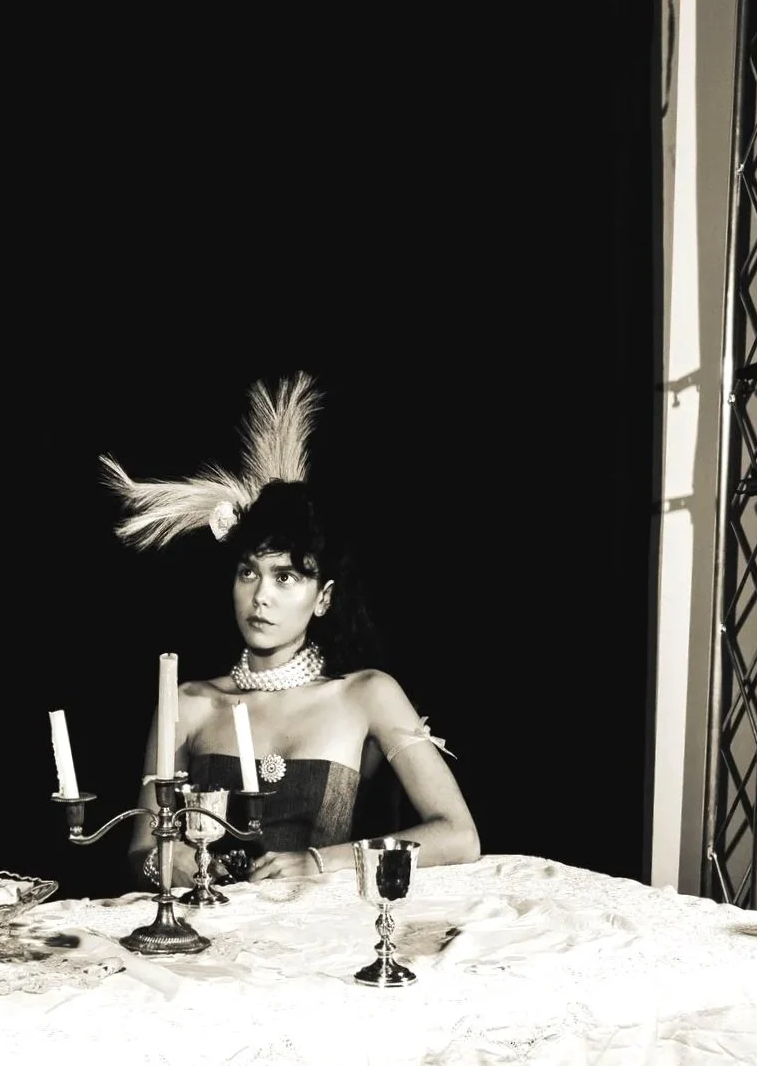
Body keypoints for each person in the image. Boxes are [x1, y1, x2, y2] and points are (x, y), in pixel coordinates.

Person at [100, 373, 480, 888]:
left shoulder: (368, 694)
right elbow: (143, 850)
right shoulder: (187, 703)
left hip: (320, 926)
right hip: (211, 923)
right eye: (248, 572)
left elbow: (458, 835)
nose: (261, 595)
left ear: (323, 598)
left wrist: (321, 862)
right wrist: (182, 867)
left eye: (286, 577)